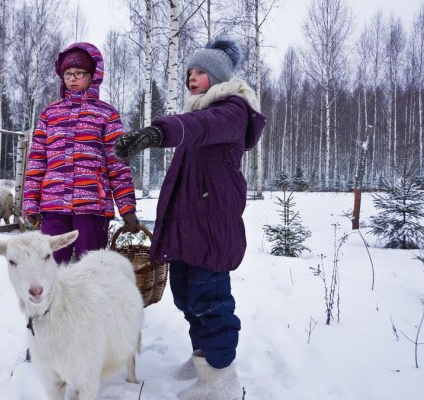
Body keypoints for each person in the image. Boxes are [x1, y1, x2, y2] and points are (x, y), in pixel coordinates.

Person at [114, 38, 266, 400]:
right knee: (187, 296)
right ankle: (203, 360)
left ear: (217, 76)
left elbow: (198, 126)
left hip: (212, 225)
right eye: (189, 72)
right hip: (190, 222)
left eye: (200, 72)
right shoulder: (203, 111)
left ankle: (222, 378)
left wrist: (156, 132)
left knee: (210, 299)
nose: (192, 78)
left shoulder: (231, 110)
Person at [23, 42, 140, 265]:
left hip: (92, 206)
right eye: (68, 73)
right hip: (53, 206)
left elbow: (118, 165)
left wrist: (127, 208)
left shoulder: (106, 115)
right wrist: (31, 202)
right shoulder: (49, 115)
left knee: (91, 269)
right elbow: (37, 162)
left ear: (92, 75)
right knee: (53, 268)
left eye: (79, 73)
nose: (73, 78)